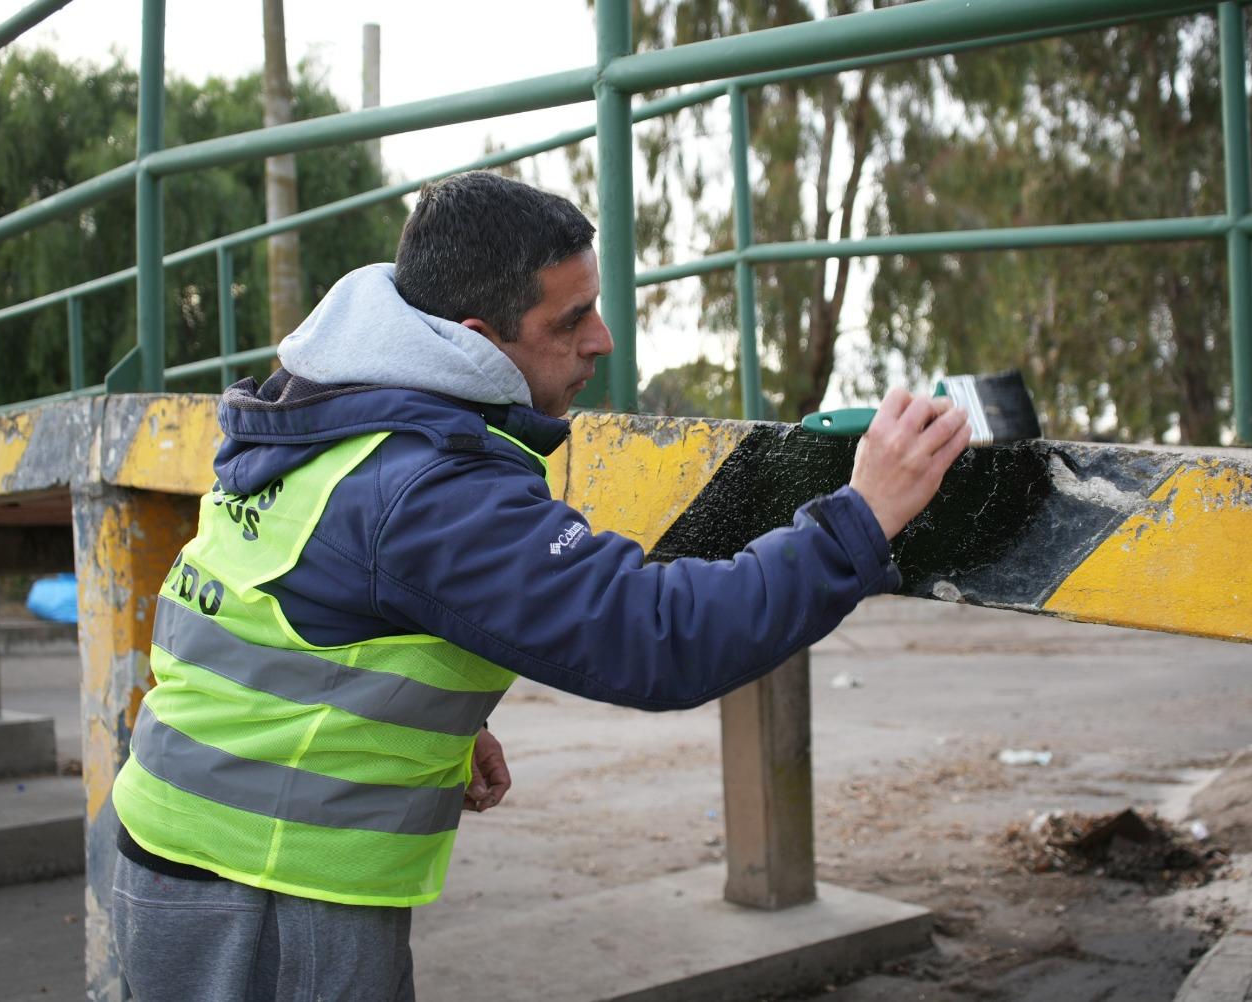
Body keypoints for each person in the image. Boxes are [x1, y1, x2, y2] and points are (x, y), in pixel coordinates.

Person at [109, 171, 972, 1001]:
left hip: (194, 847)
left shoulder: (328, 411)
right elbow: (656, 636)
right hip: (265, 888)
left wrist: (438, 719)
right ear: (481, 340)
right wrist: (863, 516)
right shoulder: (426, 488)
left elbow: (309, 607)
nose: (601, 339)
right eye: (572, 319)